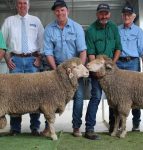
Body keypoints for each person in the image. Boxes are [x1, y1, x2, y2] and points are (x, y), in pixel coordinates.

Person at [42, 0, 87, 137]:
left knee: (78, 96)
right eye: (57, 10)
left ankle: (76, 127)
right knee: (49, 98)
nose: (60, 13)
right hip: (57, 67)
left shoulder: (76, 27)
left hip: (74, 68)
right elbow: (48, 52)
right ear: (54, 12)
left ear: (67, 11)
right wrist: (56, 70)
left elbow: (82, 51)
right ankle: (48, 127)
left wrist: (78, 70)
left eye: (62, 10)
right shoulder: (49, 29)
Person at [1, 0, 44, 136]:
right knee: (15, 95)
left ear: (29, 5)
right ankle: (15, 128)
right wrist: (7, 59)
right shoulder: (9, 21)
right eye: (19, 3)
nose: (22, 6)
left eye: (24, 3)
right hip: (16, 60)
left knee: (34, 94)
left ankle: (35, 128)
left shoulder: (36, 20)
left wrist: (39, 58)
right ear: (16, 5)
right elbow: (3, 41)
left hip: (32, 61)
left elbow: (42, 41)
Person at [85, 3, 122, 140]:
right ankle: (89, 128)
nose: (104, 16)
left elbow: (118, 47)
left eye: (106, 13)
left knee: (113, 98)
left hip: (111, 69)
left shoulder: (113, 27)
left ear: (109, 14)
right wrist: (97, 70)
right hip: (97, 69)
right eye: (101, 13)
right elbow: (91, 53)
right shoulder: (90, 30)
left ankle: (114, 126)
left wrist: (113, 64)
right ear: (97, 14)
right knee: (95, 96)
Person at [115, 4, 143, 132]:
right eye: (124, 14)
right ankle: (117, 124)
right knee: (117, 95)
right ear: (122, 16)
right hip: (118, 64)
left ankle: (136, 124)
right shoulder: (116, 30)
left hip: (133, 63)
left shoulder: (138, 31)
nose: (126, 16)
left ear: (133, 16)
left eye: (129, 14)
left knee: (136, 93)